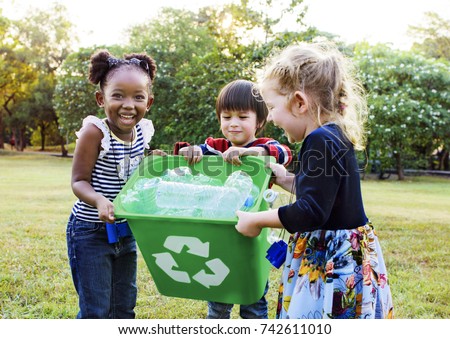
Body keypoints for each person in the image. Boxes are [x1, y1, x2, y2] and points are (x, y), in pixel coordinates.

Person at [235, 43, 394, 319]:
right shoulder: (334, 134)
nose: (270, 117)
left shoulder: (318, 140)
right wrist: (283, 177)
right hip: (348, 250)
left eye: (272, 107)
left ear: (299, 102)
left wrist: (256, 219)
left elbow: (311, 211)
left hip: (331, 259)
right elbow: (322, 196)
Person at [174, 79, 293, 319]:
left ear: (258, 121)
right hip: (219, 232)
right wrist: (191, 151)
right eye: (226, 117)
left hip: (255, 234)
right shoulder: (215, 147)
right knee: (218, 295)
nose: (233, 123)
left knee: (254, 300)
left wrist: (251, 153)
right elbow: (187, 153)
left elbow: (283, 153)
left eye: (242, 117)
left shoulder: (263, 146)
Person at [67, 49, 157, 318]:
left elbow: (138, 172)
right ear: (100, 98)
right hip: (90, 231)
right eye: (118, 95)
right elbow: (78, 181)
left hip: (125, 230)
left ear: (148, 102)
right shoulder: (94, 132)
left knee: (124, 306)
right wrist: (99, 201)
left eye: (138, 97)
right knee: (96, 310)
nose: (128, 104)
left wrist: (159, 162)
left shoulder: (144, 131)